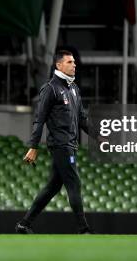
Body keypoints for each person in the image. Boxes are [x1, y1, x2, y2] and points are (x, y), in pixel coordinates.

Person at [15, 50, 97, 234]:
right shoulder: (50, 88)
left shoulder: (74, 89)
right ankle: (83, 229)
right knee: (74, 183)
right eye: (69, 62)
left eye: (74, 61)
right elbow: (39, 119)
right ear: (59, 65)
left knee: (52, 187)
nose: (74, 64)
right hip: (61, 146)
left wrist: (98, 136)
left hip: (71, 145)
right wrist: (33, 146)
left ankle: (24, 224)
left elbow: (82, 119)